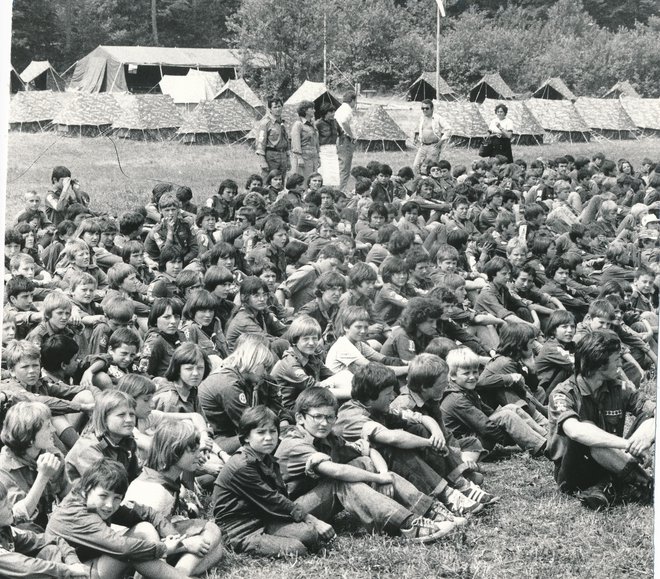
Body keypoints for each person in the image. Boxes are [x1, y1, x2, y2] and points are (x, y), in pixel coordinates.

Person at [275, 387, 458, 544]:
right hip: (291, 515)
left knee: (363, 462)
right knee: (341, 482)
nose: (324, 423)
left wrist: (384, 473)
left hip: (315, 503)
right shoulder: (294, 442)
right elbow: (337, 471)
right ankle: (406, 524)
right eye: (317, 417)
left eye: (330, 417)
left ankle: (428, 510)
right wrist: (378, 478)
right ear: (300, 418)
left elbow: (368, 451)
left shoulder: (328, 438)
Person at [547, 331, 655, 510]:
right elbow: (575, 430)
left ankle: (604, 487)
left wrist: (647, 434)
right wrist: (626, 444)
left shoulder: (617, 387)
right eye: (616, 360)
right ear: (599, 364)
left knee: (649, 418)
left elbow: (652, 409)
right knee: (590, 431)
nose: (621, 364)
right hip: (574, 470)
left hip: (613, 460)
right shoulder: (563, 393)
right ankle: (646, 483)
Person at [212, 406, 334, 556]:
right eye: (261, 433)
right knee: (296, 549)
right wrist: (312, 519)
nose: (269, 438)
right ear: (246, 437)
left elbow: (279, 496)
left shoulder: (266, 457)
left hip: (263, 518)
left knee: (310, 535)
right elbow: (272, 500)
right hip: (238, 529)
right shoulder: (241, 465)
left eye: (273, 431)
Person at [46, 458, 192, 579]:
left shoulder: (94, 502)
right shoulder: (76, 513)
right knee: (134, 547)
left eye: (117, 498)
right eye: (104, 495)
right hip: (73, 574)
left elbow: (145, 513)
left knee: (144, 529)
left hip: (89, 566)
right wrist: (165, 548)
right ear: (86, 489)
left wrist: (174, 537)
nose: (110, 505)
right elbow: (123, 548)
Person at [124, 420, 224, 576]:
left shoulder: (169, 477)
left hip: (162, 543)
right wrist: (185, 545)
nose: (199, 455)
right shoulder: (153, 491)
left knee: (216, 547)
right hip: (137, 558)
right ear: (173, 452)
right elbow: (142, 542)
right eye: (192, 451)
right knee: (212, 535)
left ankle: (177, 572)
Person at [441, 348, 547, 457]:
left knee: (511, 408)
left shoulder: (467, 391)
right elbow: (485, 427)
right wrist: (510, 437)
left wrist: (515, 426)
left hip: (474, 436)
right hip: (465, 446)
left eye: (475, 372)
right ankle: (540, 447)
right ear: (453, 376)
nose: (472, 377)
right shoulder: (457, 399)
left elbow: (490, 413)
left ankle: (545, 436)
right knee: (505, 416)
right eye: (466, 373)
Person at [0, 402, 68, 531]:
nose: (53, 430)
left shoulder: (53, 454)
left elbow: (67, 495)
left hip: (54, 522)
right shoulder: (4, 468)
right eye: (48, 426)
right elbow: (17, 518)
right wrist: (43, 476)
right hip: (24, 533)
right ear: (29, 437)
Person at [0, 480, 88, 578]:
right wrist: (68, 570)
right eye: (4, 505)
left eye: (8, 501)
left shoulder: (5, 530)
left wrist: (72, 561)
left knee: (51, 550)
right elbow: (27, 567)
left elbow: (50, 539)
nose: (11, 506)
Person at [256, 96, 290, 180]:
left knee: (281, 181)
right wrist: (262, 161)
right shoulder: (265, 123)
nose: (278, 109)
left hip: (283, 155)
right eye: (275, 107)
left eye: (279, 106)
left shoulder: (283, 123)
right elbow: (260, 143)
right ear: (270, 109)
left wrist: (288, 159)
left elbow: (286, 141)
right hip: (271, 156)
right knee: (269, 180)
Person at [413, 99, 449, 175]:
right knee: (416, 165)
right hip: (423, 146)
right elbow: (417, 129)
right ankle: (420, 181)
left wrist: (441, 141)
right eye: (423, 108)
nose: (424, 110)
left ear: (432, 109)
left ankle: (432, 183)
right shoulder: (421, 118)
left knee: (432, 168)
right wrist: (416, 138)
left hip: (434, 146)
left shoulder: (437, 118)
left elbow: (448, 129)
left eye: (427, 108)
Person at [290, 101, 320, 182]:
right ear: (305, 110)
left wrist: (318, 157)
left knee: (313, 179)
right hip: (303, 157)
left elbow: (316, 141)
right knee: (303, 180)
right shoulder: (298, 124)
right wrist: (299, 157)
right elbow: (296, 142)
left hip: (313, 157)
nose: (314, 110)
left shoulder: (312, 124)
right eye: (312, 109)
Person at [334, 91, 358, 192]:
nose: (355, 104)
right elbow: (344, 122)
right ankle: (341, 190)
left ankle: (340, 188)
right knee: (345, 167)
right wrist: (351, 135)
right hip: (345, 139)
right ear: (352, 100)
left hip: (340, 139)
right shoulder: (347, 109)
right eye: (355, 101)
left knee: (342, 166)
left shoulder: (340, 109)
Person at [315, 103, 340, 187]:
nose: (333, 114)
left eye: (334, 112)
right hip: (323, 150)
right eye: (331, 112)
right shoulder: (318, 123)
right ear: (325, 112)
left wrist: (340, 145)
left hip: (333, 149)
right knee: (324, 172)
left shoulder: (335, 122)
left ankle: (333, 191)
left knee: (334, 173)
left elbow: (342, 133)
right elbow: (314, 137)